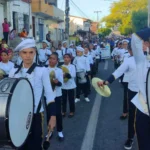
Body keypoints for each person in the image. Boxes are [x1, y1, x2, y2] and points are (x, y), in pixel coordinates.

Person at [9, 39, 56, 150]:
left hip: (35, 115)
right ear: (20, 54)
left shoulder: (42, 71)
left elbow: (49, 94)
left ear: (35, 53)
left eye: (31, 52)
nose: (28, 56)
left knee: (35, 146)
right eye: (24, 52)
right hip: (18, 116)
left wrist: (53, 116)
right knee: (20, 146)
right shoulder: (13, 72)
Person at [97, 44, 138, 150]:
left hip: (147, 93)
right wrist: (106, 81)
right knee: (132, 116)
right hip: (133, 91)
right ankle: (130, 138)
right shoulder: (129, 60)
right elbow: (118, 72)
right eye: (132, 49)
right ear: (129, 51)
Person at [131, 28, 150, 150]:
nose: (143, 44)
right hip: (144, 110)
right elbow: (135, 37)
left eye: (145, 42)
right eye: (144, 42)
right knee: (144, 144)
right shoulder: (142, 61)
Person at [47, 52, 64, 141]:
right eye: (50, 58)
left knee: (58, 114)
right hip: (48, 96)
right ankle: (50, 131)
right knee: (49, 114)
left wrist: (57, 82)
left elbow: (61, 84)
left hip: (57, 95)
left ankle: (60, 131)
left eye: (53, 59)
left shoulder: (59, 70)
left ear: (57, 61)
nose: (51, 60)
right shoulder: (44, 70)